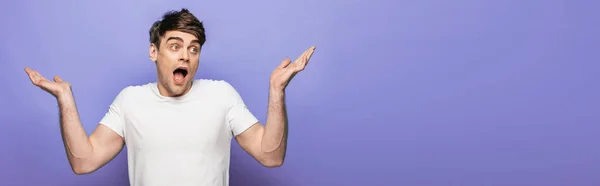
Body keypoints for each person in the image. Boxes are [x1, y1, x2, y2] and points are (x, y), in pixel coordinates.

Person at [24, 8, 315, 186]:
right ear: (154, 52)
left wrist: (277, 90)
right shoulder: (130, 101)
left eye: (193, 48)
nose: (186, 56)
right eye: (175, 46)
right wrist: (65, 99)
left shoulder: (221, 95)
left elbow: (271, 155)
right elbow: (83, 162)